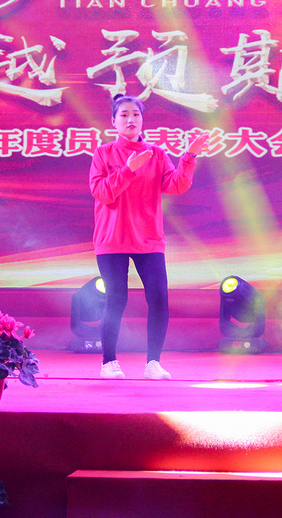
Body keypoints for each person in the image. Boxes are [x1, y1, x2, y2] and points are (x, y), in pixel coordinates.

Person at [89, 94, 209, 380]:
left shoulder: (156, 153)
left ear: (143, 120)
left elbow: (176, 185)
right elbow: (102, 193)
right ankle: (109, 362)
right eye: (124, 115)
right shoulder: (103, 154)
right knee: (116, 298)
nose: (130, 120)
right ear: (113, 121)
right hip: (112, 237)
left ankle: (153, 362)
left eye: (136, 114)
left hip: (148, 237)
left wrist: (189, 157)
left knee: (158, 298)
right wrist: (128, 170)